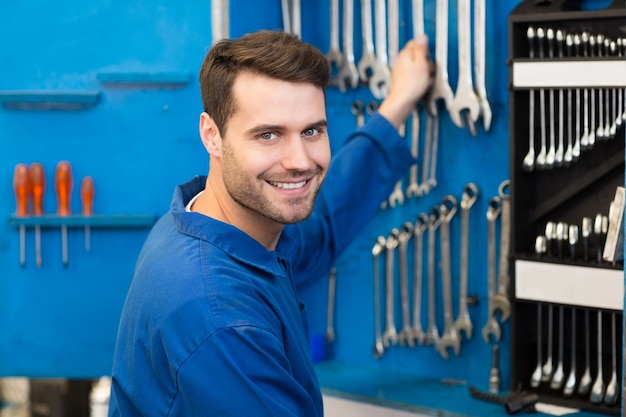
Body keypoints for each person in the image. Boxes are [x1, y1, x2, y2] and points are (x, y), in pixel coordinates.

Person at [108, 29, 433, 416]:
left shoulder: (208, 222)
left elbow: (321, 226)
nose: (298, 160)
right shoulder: (221, 322)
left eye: (312, 130)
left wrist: (395, 106)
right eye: (268, 135)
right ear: (212, 135)